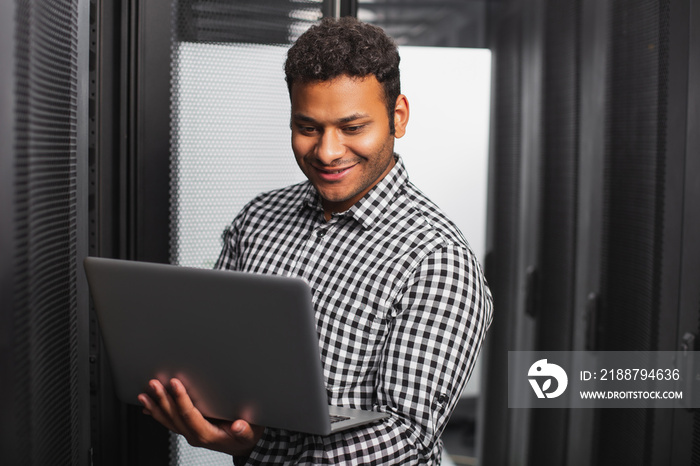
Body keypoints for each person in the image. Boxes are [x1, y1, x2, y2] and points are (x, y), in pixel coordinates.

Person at [138, 16, 493, 465]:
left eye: (352, 127)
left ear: (397, 117)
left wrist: (257, 445)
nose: (327, 152)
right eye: (308, 128)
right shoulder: (258, 218)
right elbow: (217, 356)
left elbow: (405, 436)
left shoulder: (437, 260)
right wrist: (197, 407)